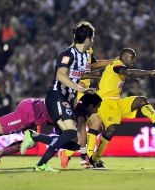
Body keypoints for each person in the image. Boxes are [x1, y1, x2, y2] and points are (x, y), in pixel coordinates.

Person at [86, 48, 155, 168]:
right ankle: (95, 158)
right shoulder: (118, 65)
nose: (134, 60)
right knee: (112, 128)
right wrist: (149, 73)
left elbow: (97, 74)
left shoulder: (111, 67)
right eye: (133, 57)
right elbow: (130, 73)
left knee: (141, 100)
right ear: (125, 57)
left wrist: (79, 76)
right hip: (105, 103)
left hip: (117, 101)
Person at [33, 21, 96, 171]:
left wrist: (74, 97)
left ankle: (34, 137)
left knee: (71, 141)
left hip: (66, 99)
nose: (93, 41)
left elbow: (79, 74)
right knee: (71, 132)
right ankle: (40, 165)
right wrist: (80, 88)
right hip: (56, 96)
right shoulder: (67, 54)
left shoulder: (85, 56)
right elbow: (61, 75)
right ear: (87, 38)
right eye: (92, 38)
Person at [0, 93, 102, 170]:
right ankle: (35, 144)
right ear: (90, 106)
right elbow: (80, 134)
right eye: (97, 107)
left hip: (36, 110)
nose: (97, 110)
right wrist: (83, 154)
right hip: (33, 111)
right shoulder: (80, 113)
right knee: (68, 141)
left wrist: (82, 152)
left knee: (33, 142)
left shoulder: (77, 107)